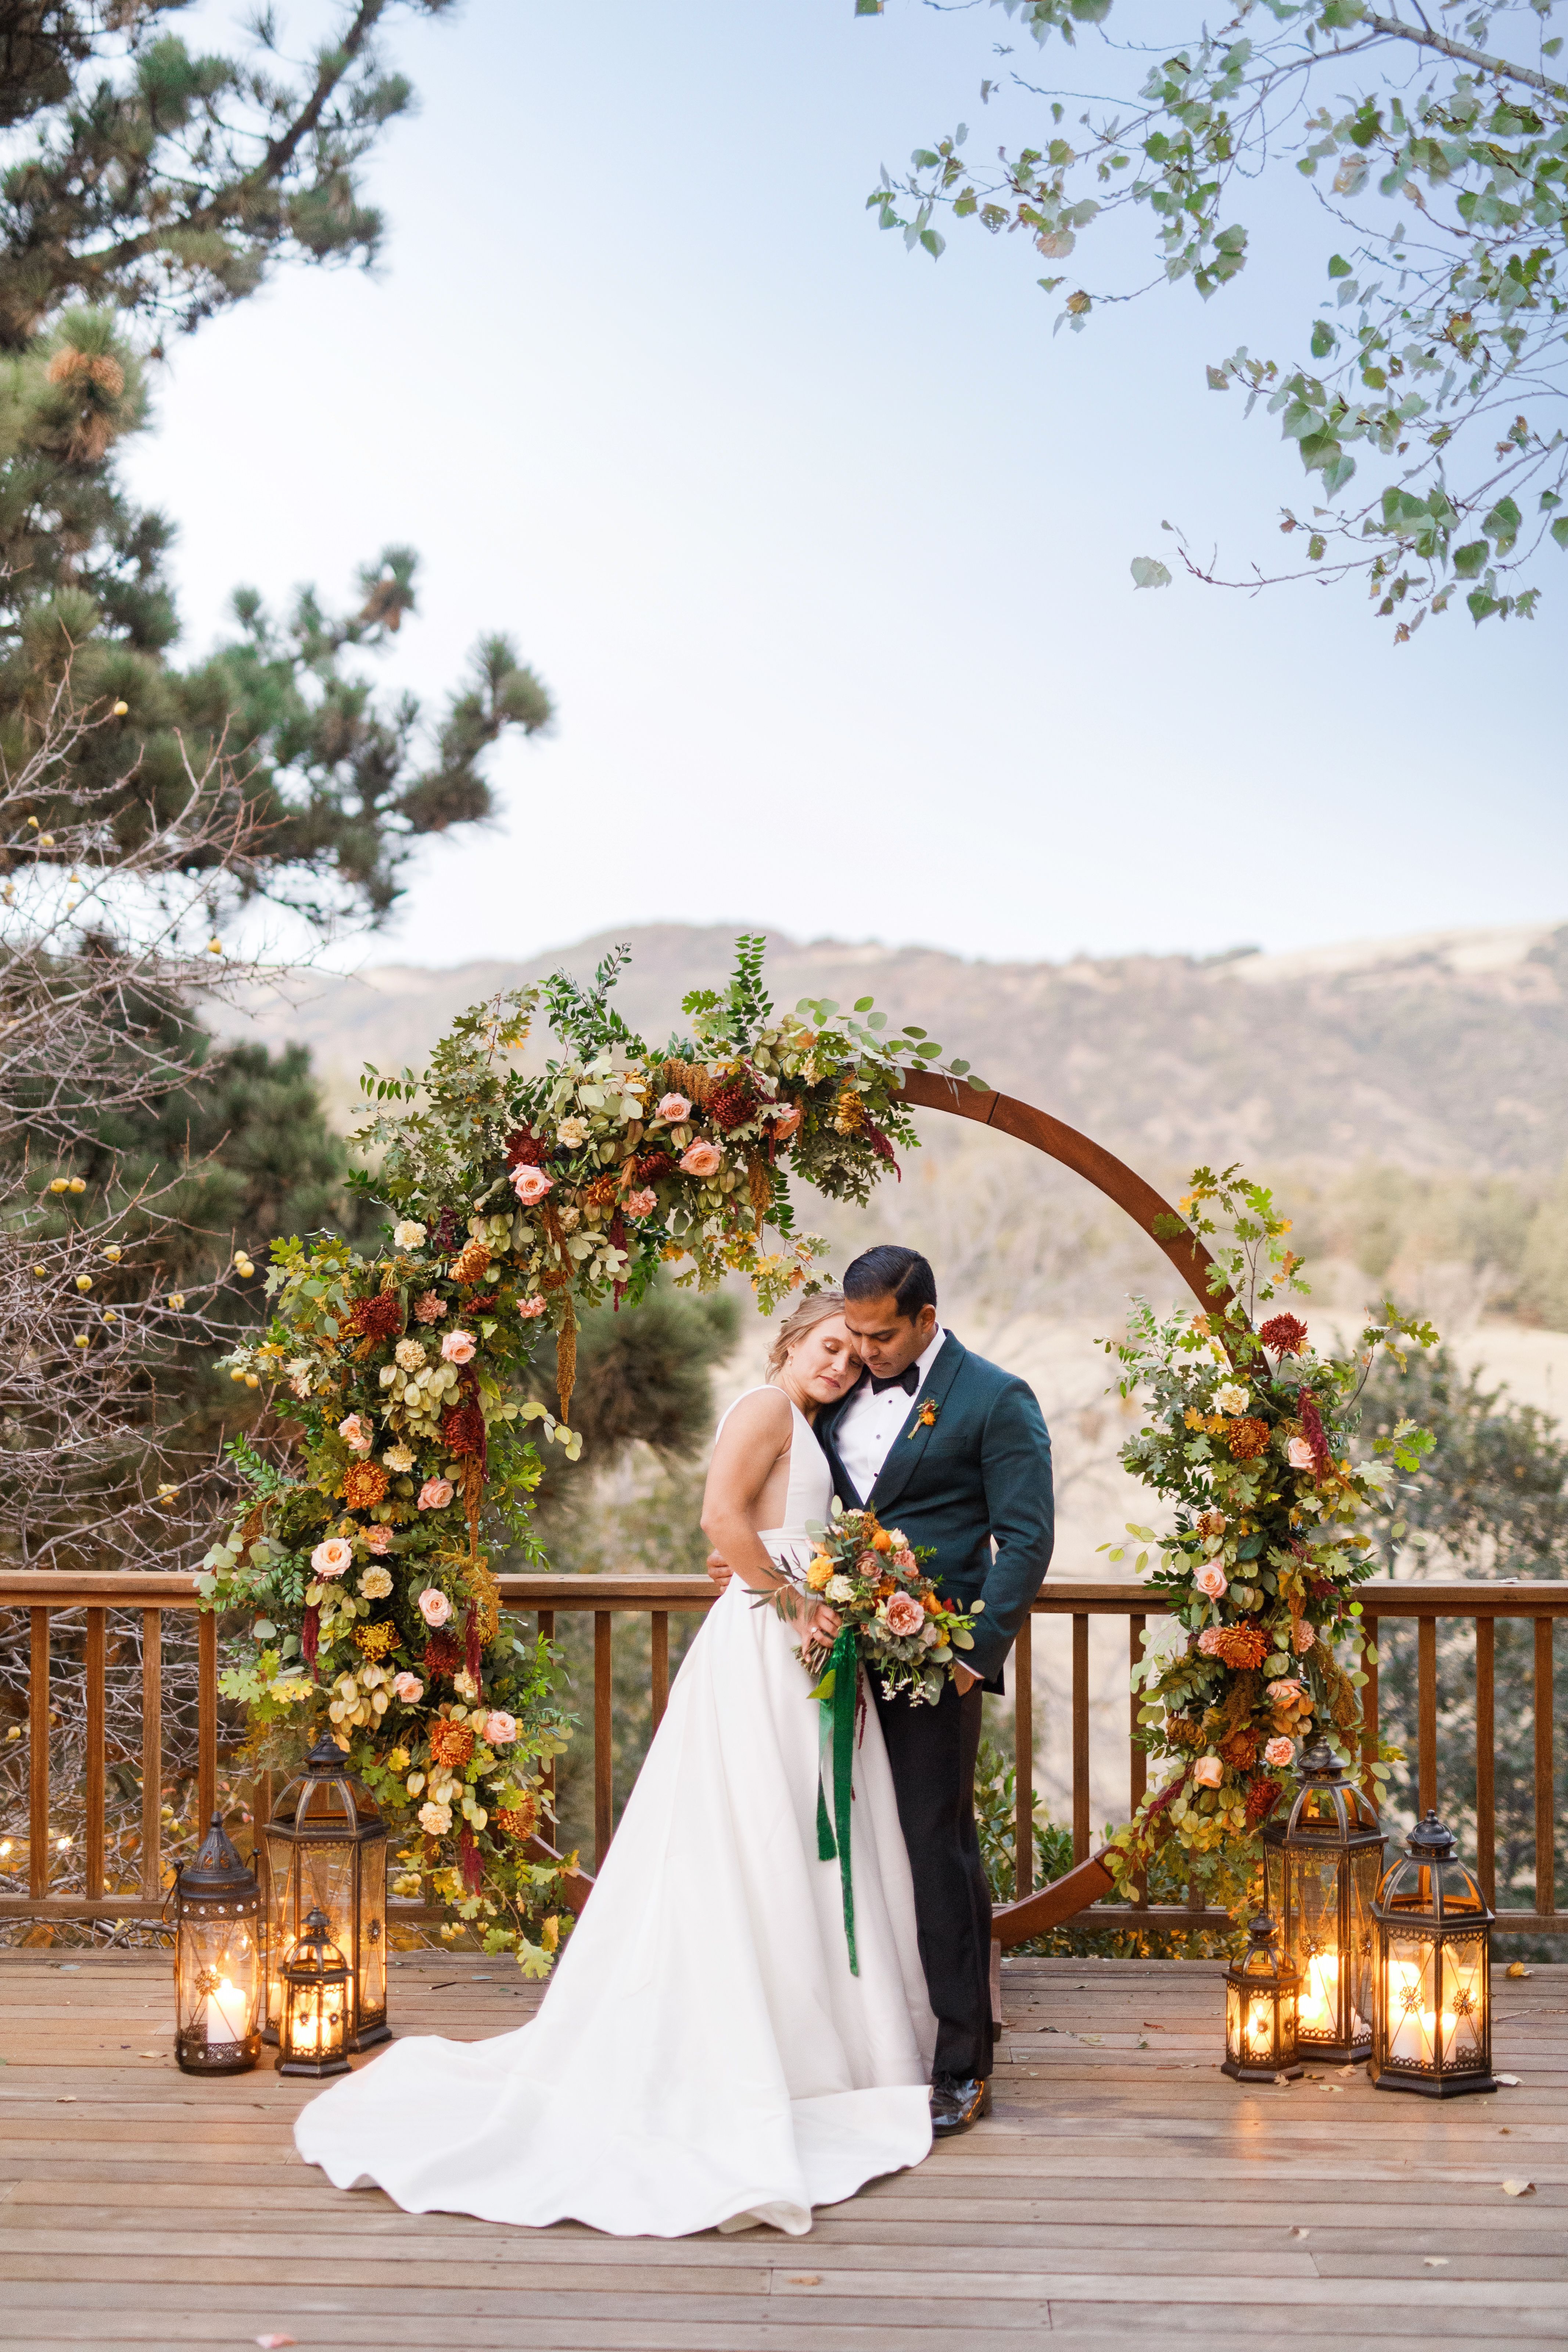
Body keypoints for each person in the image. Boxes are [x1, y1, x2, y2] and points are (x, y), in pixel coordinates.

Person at [293, 1290, 936, 2237]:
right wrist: (796, 1602)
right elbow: (721, 1519)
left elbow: (757, 1533)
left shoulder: (803, 1423)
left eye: (853, 1353)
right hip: (769, 1644)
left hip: (791, 1639)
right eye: (828, 1346)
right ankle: (763, 2041)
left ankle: (817, 2030)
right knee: (757, 1828)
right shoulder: (765, 1410)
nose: (841, 1364)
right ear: (791, 1343)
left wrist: (812, 1579)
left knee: (789, 1830)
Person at [708, 1244, 1054, 2137]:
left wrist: (974, 1653)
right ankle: (863, 2038)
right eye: (853, 1334)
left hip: (933, 1661)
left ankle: (964, 2062)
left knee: (935, 1846)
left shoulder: (996, 1397)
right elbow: (782, 1499)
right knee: (856, 1852)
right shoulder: (831, 1393)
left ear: (927, 1320)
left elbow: (1024, 1539)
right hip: (825, 1654)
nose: (865, 1350)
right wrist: (759, 1560)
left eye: (882, 1334)